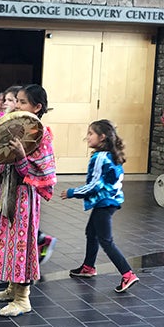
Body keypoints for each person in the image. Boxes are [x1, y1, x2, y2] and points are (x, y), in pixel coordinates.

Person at [0, 84, 56, 317]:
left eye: (23, 102)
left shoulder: (41, 135)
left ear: (37, 107)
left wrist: (22, 157)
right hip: (6, 192)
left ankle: (23, 299)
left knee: (21, 243)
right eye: (16, 101)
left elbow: (43, 171)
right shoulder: (15, 128)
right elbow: (0, 155)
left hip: (24, 197)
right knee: (7, 241)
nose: (17, 105)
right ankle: (13, 288)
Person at [61, 120, 139, 293]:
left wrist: (73, 192)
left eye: (91, 134)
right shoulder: (111, 154)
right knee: (91, 232)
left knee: (106, 240)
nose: (87, 137)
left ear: (102, 137)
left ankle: (127, 274)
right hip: (109, 201)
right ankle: (88, 267)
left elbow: (95, 185)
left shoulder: (100, 157)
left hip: (104, 202)